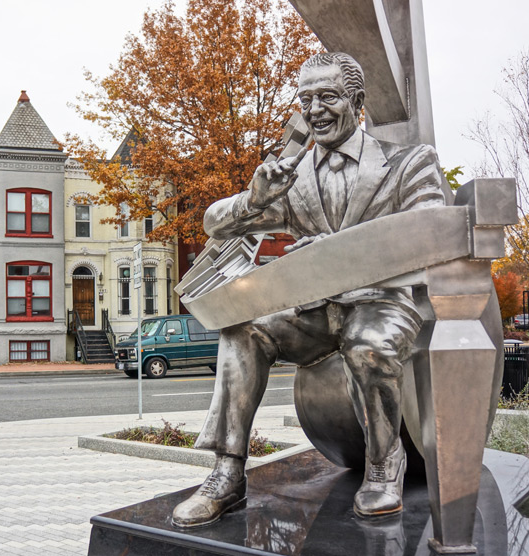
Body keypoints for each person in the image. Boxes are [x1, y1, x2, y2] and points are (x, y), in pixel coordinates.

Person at [171, 52, 449, 528]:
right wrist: (254, 199)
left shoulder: (408, 163)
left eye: (327, 97)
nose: (314, 109)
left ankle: (385, 465)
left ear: (357, 101)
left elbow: (431, 237)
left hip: (381, 302)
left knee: (369, 346)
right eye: (306, 100)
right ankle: (228, 473)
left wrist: (337, 252)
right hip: (316, 312)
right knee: (244, 328)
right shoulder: (292, 178)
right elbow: (213, 224)